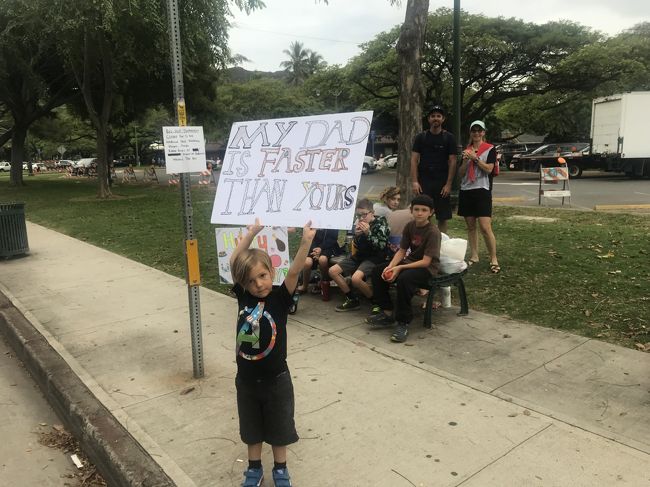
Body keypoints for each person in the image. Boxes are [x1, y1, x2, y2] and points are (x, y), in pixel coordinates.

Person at [229, 218, 316, 487]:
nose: (258, 284)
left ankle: (281, 470)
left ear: (271, 272)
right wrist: (252, 232)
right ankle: (254, 469)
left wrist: (306, 241)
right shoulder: (245, 297)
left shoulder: (279, 298)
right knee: (251, 429)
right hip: (246, 381)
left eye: (263, 276)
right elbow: (234, 262)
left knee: (279, 430)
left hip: (276, 380)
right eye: (251, 280)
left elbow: (294, 272)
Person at [366, 195, 441, 343]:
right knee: (377, 271)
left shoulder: (433, 232)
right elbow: (402, 250)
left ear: (431, 212)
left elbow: (426, 262)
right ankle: (387, 313)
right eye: (416, 209)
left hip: (427, 269)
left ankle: (403, 322)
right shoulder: (410, 226)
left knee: (404, 279)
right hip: (410, 263)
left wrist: (400, 268)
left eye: (424, 210)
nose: (420, 213)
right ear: (411, 211)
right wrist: (391, 266)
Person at [328, 198, 390, 312]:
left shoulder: (381, 222)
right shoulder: (359, 223)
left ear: (372, 213)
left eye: (364, 214)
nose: (361, 218)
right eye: (358, 215)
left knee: (356, 279)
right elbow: (356, 246)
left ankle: (376, 302)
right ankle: (352, 299)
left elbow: (380, 246)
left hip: (375, 257)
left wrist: (368, 233)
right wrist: (357, 236)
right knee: (333, 271)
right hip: (360, 256)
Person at [458, 120, 500, 274]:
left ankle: (493, 258)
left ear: (483, 132)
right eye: (473, 131)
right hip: (466, 190)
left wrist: (475, 159)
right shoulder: (466, 150)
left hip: (482, 190)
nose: (476, 133)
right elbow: (461, 173)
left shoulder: (489, 149)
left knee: (485, 226)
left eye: (479, 130)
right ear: (470, 133)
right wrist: (466, 160)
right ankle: (474, 255)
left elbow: (489, 169)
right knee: (470, 226)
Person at [410, 104, 457, 234]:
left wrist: (448, 184)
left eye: (438, 116)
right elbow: (414, 159)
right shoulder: (421, 137)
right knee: (425, 214)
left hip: (442, 181)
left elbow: (453, 161)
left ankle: (441, 242)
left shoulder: (449, 138)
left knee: (442, 217)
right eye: (433, 116)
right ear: (429, 119)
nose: (435, 118)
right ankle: (426, 242)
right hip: (424, 181)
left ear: (443, 119)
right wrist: (415, 181)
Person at [296, 228, 341, 301]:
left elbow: (333, 239)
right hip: (312, 245)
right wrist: (315, 249)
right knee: (307, 262)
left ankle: (323, 282)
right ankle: (305, 285)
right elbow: (309, 235)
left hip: (328, 246)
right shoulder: (314, 218)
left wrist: (321, 248)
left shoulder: (333, 220)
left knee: (323, 260)